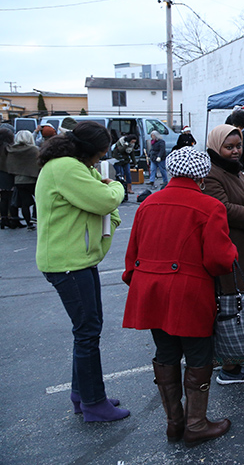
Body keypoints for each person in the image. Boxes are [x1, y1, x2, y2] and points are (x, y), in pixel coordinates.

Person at [122, 147, 238, 446]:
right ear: (202, 174)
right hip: (189, 292)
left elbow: (133, 253)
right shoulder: (209, 206)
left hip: (150, 289)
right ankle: (196, 424)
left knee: (166, 353)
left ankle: (174, 424)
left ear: (172, 171)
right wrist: (233, 253)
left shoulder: (148, 203)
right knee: (199, 355)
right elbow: (218, 260)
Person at [35, 121, 129, 422]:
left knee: (88, 329)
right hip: (68, 263)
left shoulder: (71, 165)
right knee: (87, 332)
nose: (100, 161)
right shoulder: (66, 168)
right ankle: (93, 403)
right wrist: (117, 185)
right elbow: (105, 199)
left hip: (77, 260)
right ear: (87, 151)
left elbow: (99, 200)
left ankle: (83, 394)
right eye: (100, 155)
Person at [204, 124, 244, 383]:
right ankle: (230, 368)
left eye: (238, 146)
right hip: (229, 251)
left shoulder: (238, 173)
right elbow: (223, 208)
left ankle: (242, 354)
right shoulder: (212, 173)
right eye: (228, 147)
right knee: (231, 306)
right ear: (215, 147)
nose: (234, 151)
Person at [6, 130, 40, 230]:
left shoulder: (12, 150)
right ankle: (35, 218)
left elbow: (10, 165)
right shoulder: (34, 150)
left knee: (25, 203)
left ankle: (29, 223)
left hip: (19, 181)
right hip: (33, 179)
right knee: (38, 200)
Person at [0, 124, 19, 228]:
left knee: (3, 198)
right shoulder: (9, 148)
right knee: (11, 198)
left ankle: (3, 219)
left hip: (1, 175)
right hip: (9, 174)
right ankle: (13, 219)